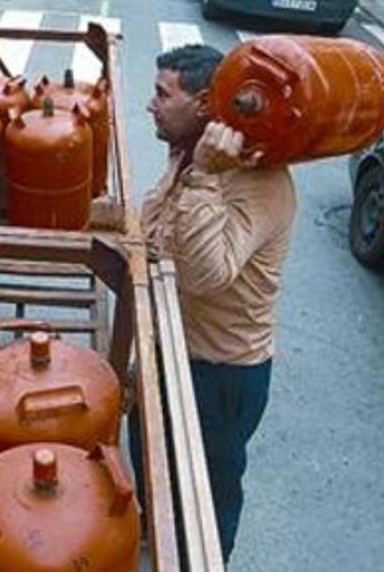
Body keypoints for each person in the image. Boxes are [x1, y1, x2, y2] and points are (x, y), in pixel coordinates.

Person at [138, 44, 297, 562]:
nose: (149, 104)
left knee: (205, 498)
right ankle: (152, 539)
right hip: (171, 346)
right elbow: (161, 227)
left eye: (163, 94)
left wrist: (205, 177)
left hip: (220, 375)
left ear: (206, 104)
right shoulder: (187, 150)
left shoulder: (260, 183)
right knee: (153, 462)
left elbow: (206, 275)